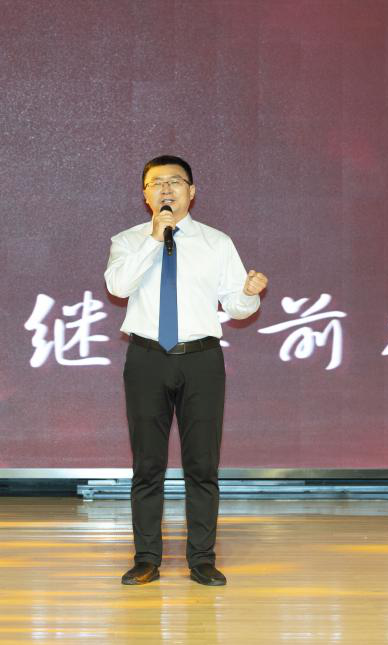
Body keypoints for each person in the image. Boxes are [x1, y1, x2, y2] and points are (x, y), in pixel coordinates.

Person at [104, 155, 268, 587]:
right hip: (146, 358)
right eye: (156, 183)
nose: (166, 189)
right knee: (148, 465)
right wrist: (154, 239)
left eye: (175, 181)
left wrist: (249, 293)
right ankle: (146, 559)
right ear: (145, 195)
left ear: (192, 192)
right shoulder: (128, 240)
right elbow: (118, 286)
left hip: (201, 360)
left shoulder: (217, 242)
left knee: (202, 464)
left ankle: (202, 559)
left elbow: (237, 305)